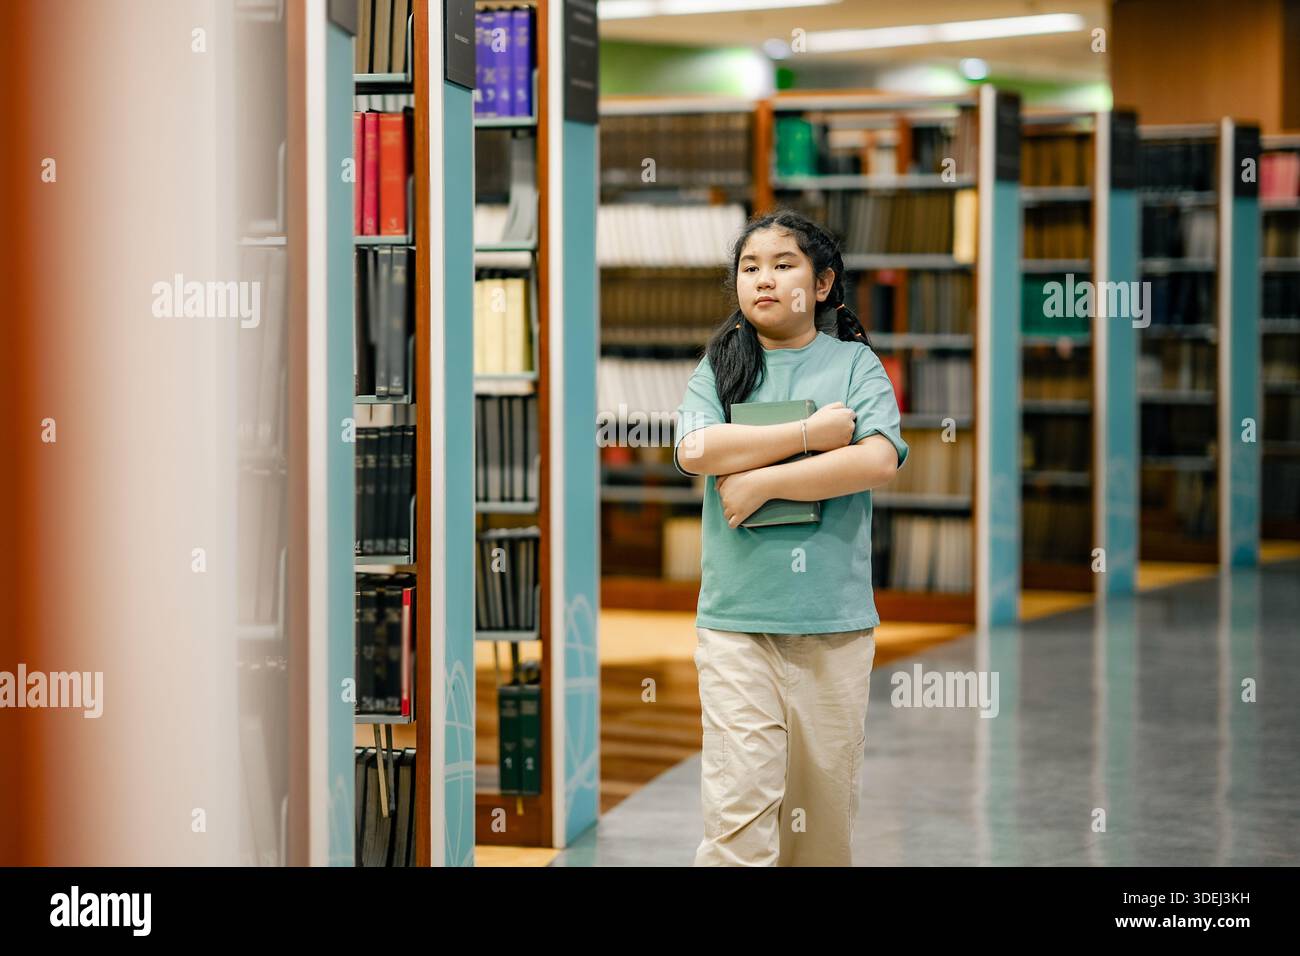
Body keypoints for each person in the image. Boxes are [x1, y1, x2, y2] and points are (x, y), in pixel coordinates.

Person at [672, 209, 908, 866]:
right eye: (750, 267)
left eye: (783, 265)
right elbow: (695, 449)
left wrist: (762, 482)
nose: (764, 280)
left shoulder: (855, 364)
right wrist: (809, 436)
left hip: (833, 628)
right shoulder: (720, 367)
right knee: (738, 813)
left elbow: (876, 460)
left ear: (823, 283)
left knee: (821, 828)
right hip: (737, 627)